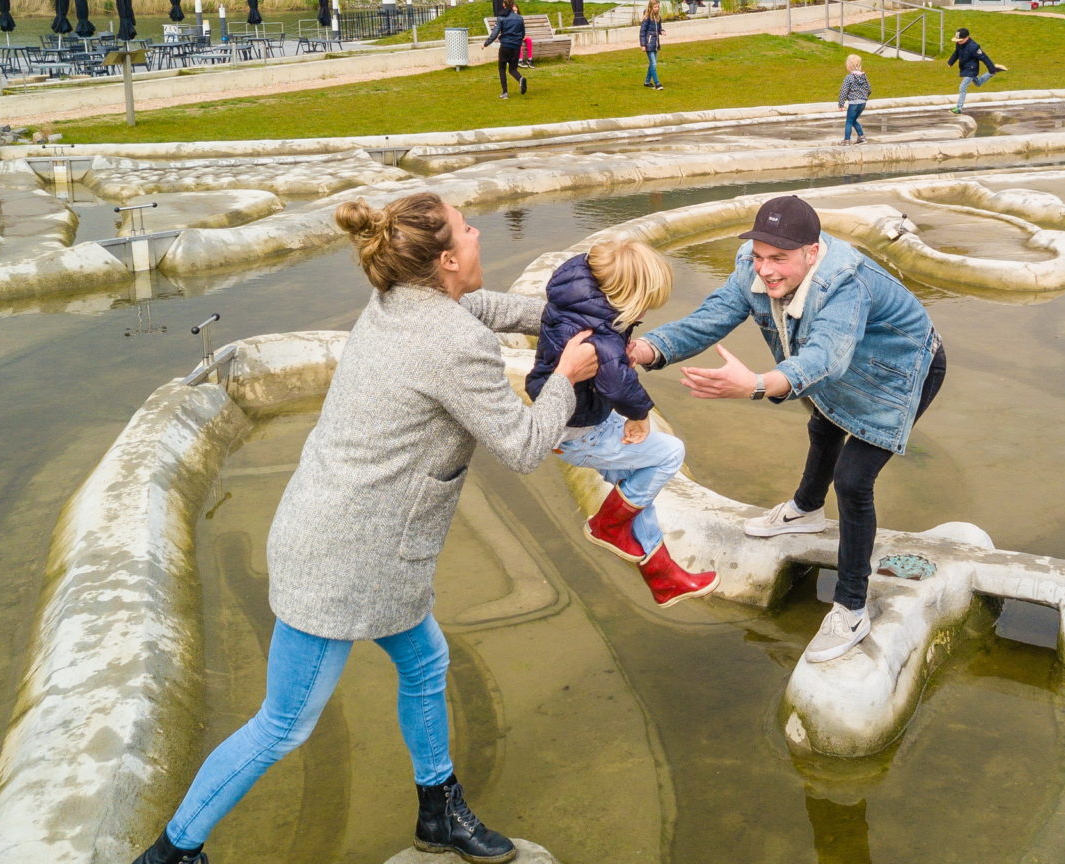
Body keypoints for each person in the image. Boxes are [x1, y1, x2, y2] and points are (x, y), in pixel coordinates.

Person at [127, 193, 600, 864]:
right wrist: (570, 378)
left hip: (350, 536)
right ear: (445, 260)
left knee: (425, 660)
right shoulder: (452, 342)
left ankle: (438, 811)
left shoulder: (401, 304)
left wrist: (571, 316)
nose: (477, 236)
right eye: (468, 230)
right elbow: (523, 446)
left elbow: (487, 307)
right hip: (350, 561)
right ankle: (173, 853)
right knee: (284, 724)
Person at [627, 195, 946, 664]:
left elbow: (824, 360)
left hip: (900, 369)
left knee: (855, 480)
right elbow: (711, 317)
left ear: (812, 253)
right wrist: (649, 349)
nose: (766, 270)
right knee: (823, 427)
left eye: (779, 258)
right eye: (759, 256)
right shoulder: (754, 270)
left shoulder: (846, 284)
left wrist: (756, 386)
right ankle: (806, 510)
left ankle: (852, 606)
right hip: (847, 362)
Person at [526, 240, 718, 605]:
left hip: (569, 421)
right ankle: (608, 525)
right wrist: (640, 416)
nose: (644, 313)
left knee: (634, 489)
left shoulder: (575, 299)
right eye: (644, 305)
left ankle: (664, 577)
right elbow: (618, 383)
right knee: (668, 454)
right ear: (628, 295)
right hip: (582, 431)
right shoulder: (599, 334)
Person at [943, 26, 1003, 113]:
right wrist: (950, 62)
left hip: (972, 69)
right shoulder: (959, 43)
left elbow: (984, 58)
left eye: (961, 40)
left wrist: (990, 67)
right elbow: (956, 53)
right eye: (958, 40)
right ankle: (995, 70)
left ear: (967, 38)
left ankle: (959, 108)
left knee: (962, 87)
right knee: (978, 83)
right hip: (965, 67)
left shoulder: (974, 47)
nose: (959, 42)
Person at [484, 0, 527, 99]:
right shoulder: (519, 18)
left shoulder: (501, 18)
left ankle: (505, 93)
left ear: (504, 4)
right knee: (513, 69)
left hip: (505, 47)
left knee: (502, 69)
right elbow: (523, 33)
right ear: (513, 5)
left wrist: (486, 43)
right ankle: (520, 79)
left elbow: (494, 33)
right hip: (516, 47)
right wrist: (517, 42)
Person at [838, 53, 871, 144]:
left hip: (853, 103)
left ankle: (846, 140)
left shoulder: (849, 77)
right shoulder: (864, 77)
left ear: (848, 66)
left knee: (849, 121)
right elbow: (869, 88)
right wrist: (864, 98)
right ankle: (861, 137)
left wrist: (841, 104)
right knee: (853, 120)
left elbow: (843, 91)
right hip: (862, 103)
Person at [639, 0, 665, 90]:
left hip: (655, 44)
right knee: (654, 64)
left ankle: (647, 81)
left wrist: (662, 31)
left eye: (658, 7)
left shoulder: (658, 18)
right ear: (651, 7)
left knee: (652, 64)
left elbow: (659, 29)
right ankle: (657, 83)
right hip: (648, 44)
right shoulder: (647, 18)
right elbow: (642, 32)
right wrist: (643, 45)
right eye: (655, 7)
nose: (657, 8)